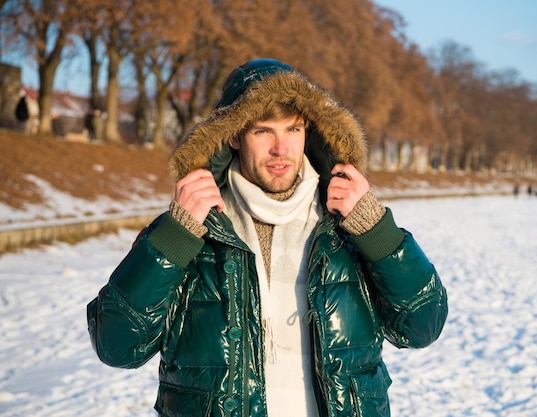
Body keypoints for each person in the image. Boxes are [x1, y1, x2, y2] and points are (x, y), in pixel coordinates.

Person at [87, 58, 448, 417]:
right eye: (263, 130)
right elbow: (118, 346)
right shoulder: (192, 230)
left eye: (293, 130)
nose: (281, 149)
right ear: (233, 136)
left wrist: (375, 229)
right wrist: (175, 236)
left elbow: (422, 325)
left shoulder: (346, 227)